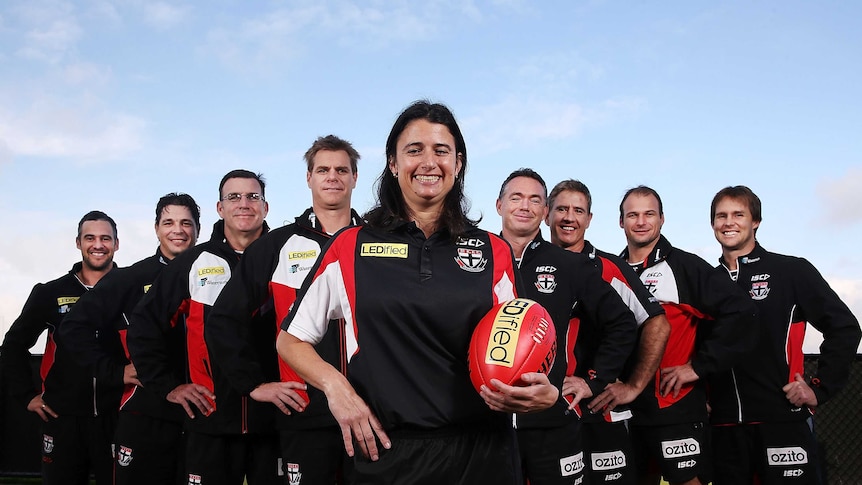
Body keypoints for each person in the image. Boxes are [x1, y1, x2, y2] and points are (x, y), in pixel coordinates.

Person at [276, 100, 558, 484]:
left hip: (484, 455)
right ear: (393, 163)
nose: (429, 162)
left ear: (458, 164)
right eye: (414, 150)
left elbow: (530, 337)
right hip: (388, 454)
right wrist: (335, 388)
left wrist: (546, 393)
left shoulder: (494, 251)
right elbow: (290, 341)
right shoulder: (350, 246)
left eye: (442, 151)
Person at [206, 135, 363, 484]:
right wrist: (254, 384)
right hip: (303, 414)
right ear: (309, 178)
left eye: (341, 169)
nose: (332, 177)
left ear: (355, 177)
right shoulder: (276, 245)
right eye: (323, 169)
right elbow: (223, 320)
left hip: (369, 411)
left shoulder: (377, 241)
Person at [129, 170, 278, 485]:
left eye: (253, 196)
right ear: (220, 208)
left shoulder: (286, 256)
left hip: (277, 422)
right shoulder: (194, 262)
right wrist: (167, 385)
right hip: (210, 420)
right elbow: (145, 324)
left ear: (265, 207)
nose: (244, 204)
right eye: (233, 197)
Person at [708, 185, 861, 484]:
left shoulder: (791, 271)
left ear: (756, 222)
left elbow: (844, 327)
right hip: (724, 426)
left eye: (738, 214)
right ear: (712, 223)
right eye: (721, 215)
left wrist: (819, 388)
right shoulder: (705, 281)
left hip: (781, 420)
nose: (728, 222)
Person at [496, 169, 638, 485]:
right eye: (515, 197)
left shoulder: (570, 265)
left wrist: (594, 380)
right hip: (489, 425)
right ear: (499, 205)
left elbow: (623, 323)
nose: (525, 206)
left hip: (554, 423)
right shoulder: (477, 258)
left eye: (535, 200)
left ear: (545, 211)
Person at [57, 193, 204, 485]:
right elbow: (73, 328)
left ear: (197, 229)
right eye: (169, 222)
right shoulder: (132, 278)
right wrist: (115, 372)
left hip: (205, 415)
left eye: (186, 223)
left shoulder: (216, 272)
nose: (178, 230)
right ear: (156, 228)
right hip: (146, 413)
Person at [617, 185, 757, 485]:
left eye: (649, 214)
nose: (641, 221)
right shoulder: (612, 270)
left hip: (673, 406)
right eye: (633, 215)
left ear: (662, 219)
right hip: (624, 409)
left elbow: (740, 313)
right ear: (621, 222)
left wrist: (699, 367)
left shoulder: (683, 266)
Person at [546, 179, 670, 484]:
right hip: (544, 414)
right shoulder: (530, 264)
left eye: (578, 210)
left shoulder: (609, 267)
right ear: (547, 214)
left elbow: (657, 322)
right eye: (561, 209)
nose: (569, 217)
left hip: (599, 415)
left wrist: (632, 385)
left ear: (589, 219)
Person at [0, 211, 119, 485]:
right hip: (62, 418)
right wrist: (26, 395)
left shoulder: (131, 288)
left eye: (105, 238)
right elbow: (14, 345)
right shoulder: (49, 292)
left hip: (117, 418)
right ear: (78, 243)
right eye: (90, 238)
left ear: (116, 243)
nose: (98, 245)